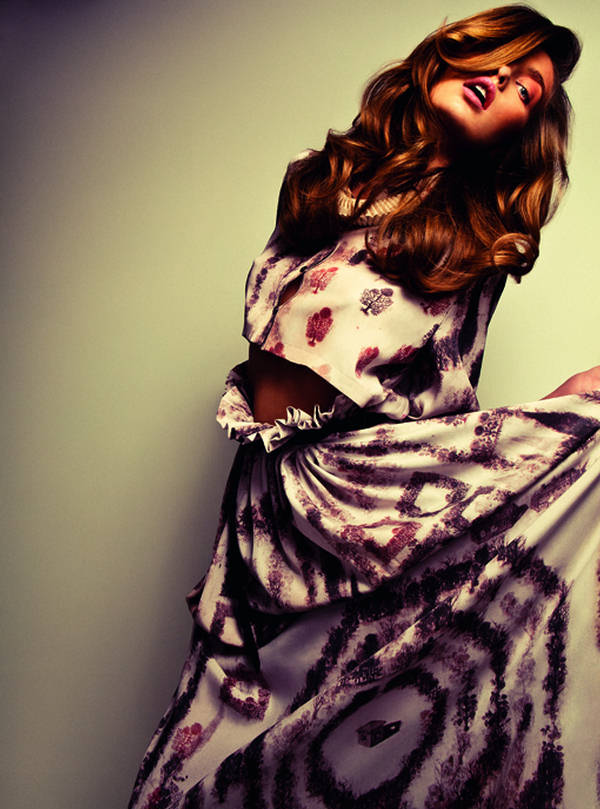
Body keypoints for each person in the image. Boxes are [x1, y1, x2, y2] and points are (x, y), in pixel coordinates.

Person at [128, 6, 600, 808]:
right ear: (452, 55)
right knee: (208, 753)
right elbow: (276, 341)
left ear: (522, 130)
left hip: (373, 506)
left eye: (527, 89)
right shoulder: (321, 181)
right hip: (275, 507)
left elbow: (443, 390)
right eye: (498, 57)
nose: (501, 79)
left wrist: (551, 420)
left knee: (345, 753)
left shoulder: (477, 242)